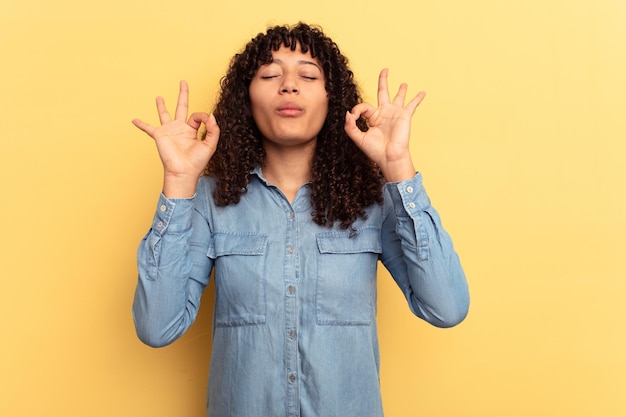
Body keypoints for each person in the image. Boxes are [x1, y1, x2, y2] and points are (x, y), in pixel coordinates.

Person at [132, 22, 469, 417]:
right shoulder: (207, 199)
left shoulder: (374, 198)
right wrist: (178, 181)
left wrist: (398, 167)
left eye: (308, 74)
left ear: (332, 100)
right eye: (270, 74)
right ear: (246, 98)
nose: (288, 85)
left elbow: (446, 307)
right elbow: (157, 326)